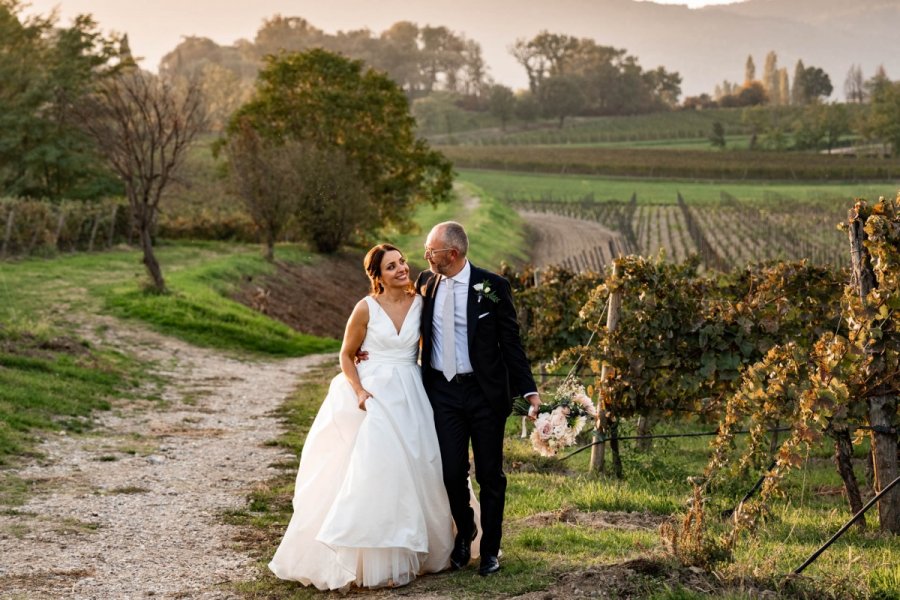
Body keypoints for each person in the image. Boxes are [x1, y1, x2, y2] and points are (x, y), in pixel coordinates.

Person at [268, 243, 454, 591]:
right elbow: (346, 354)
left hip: (411, 392)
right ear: (378, 277)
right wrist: (358, 391)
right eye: (391, 267)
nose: (401, 269)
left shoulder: (421, 305)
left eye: (402, 262)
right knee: (375, 467)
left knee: (420, 464)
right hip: (374, 393)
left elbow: (432, 348)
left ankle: (421, 549)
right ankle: (367, 556)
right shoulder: (365, 308)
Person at [417, 221, 541, 576]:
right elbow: (405, 323)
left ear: (452, 254)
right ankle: (465, 527)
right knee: (452, 473)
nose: (426, 255)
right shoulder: (425, 283)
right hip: (442, 392)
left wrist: (529, 390)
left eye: (431, 250)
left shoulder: (493, 287)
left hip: (485, 395)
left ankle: (489, 551)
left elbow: (511, 345)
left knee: (490, 474)